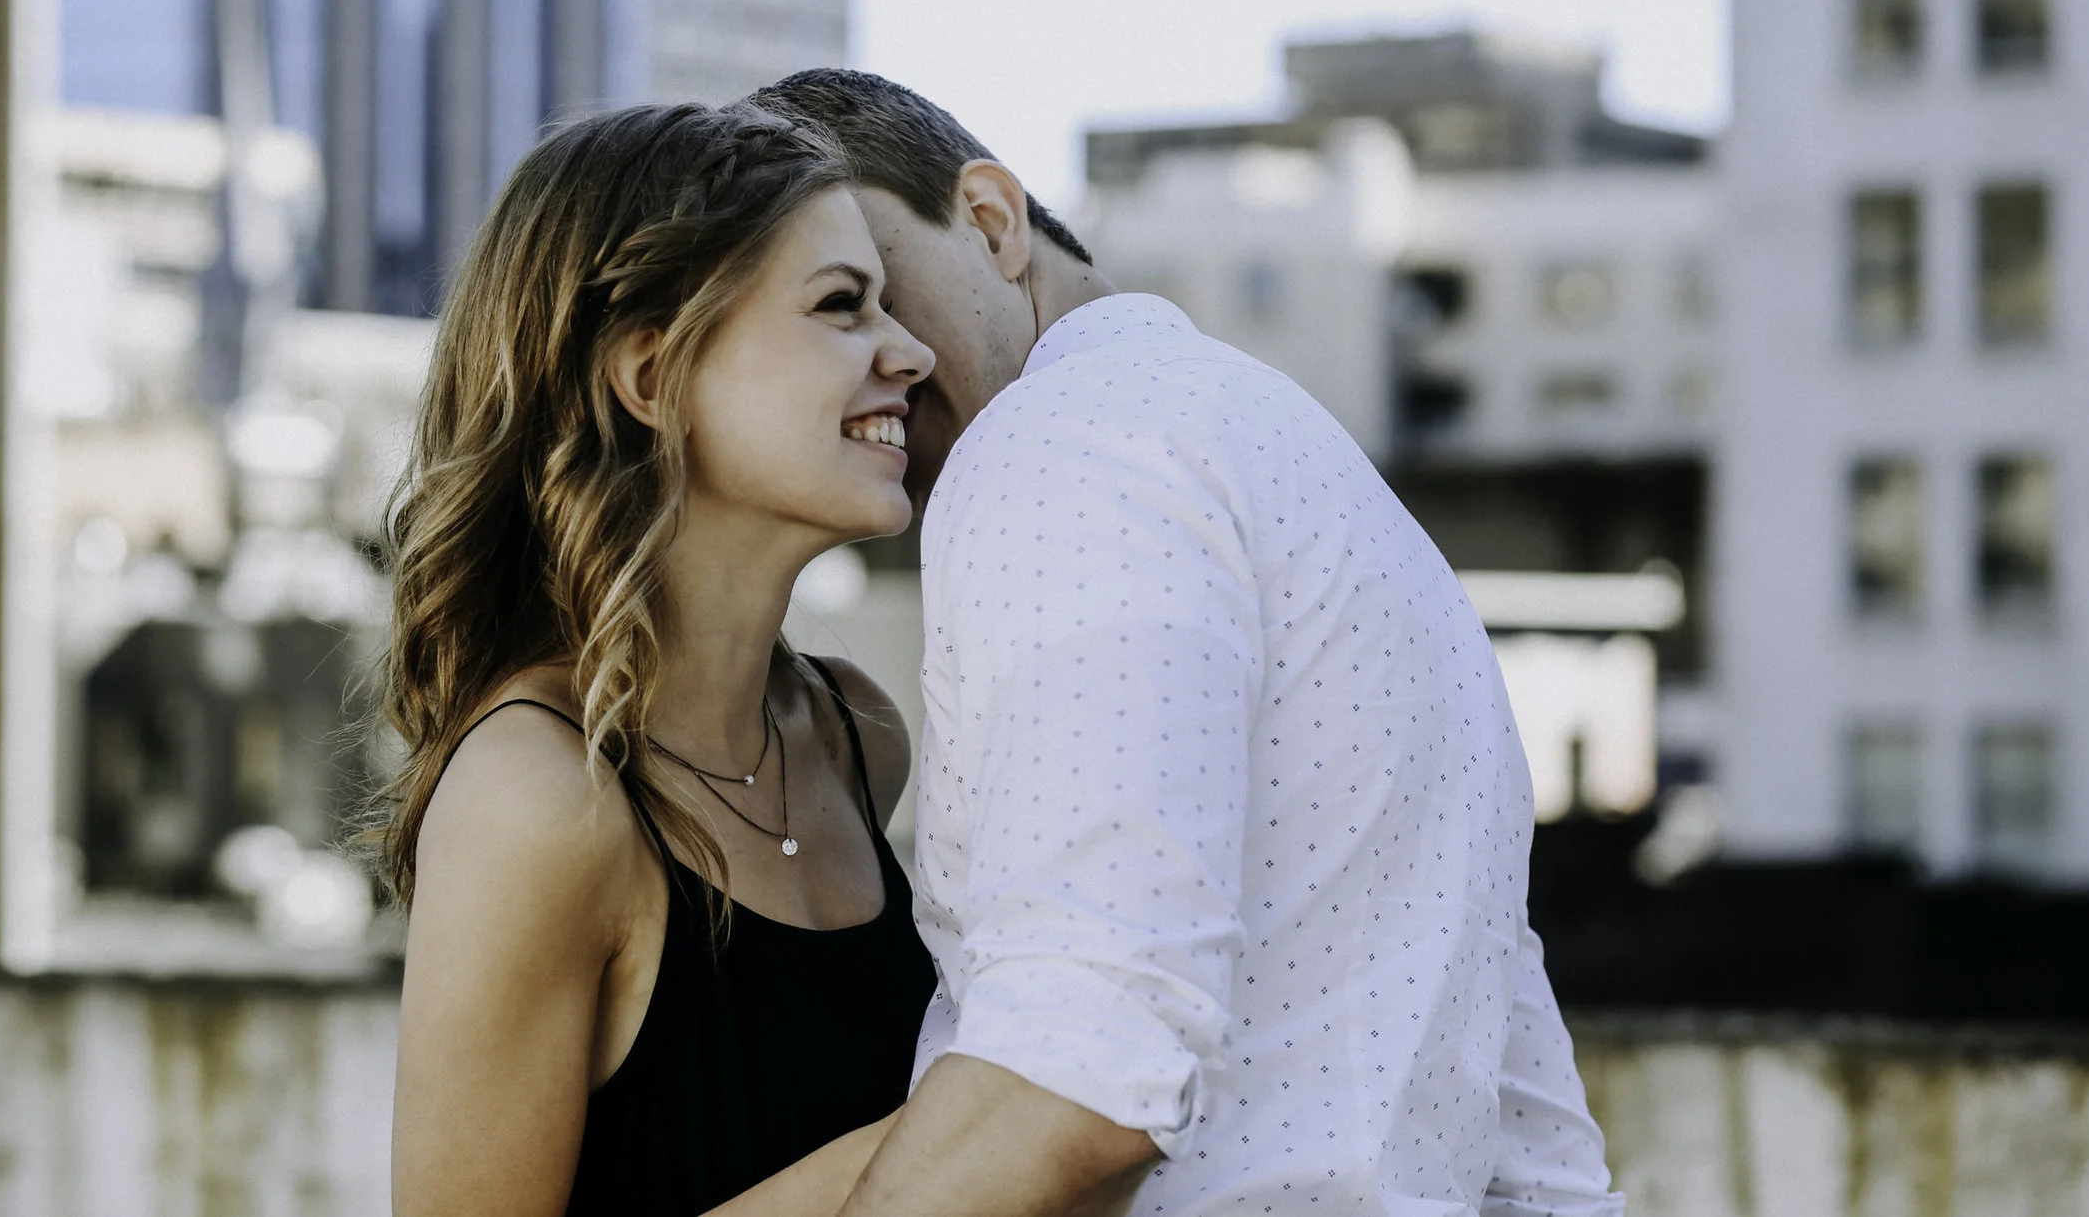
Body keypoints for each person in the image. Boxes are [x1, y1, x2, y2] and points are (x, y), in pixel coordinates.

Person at [745, 69, 1626, 1217]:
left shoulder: (1061, 444)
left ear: (993, 220)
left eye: (869, 291)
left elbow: (1076, 1074)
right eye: (821, 314)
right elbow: (1540, 1159)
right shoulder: (1317, 470)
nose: (877, 359)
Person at [380, 102, 942, 1217]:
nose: (910, 352)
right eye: (841, 305)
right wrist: (966, 1136)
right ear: (651, 377)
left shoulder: (857, 735)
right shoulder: (541, 798)